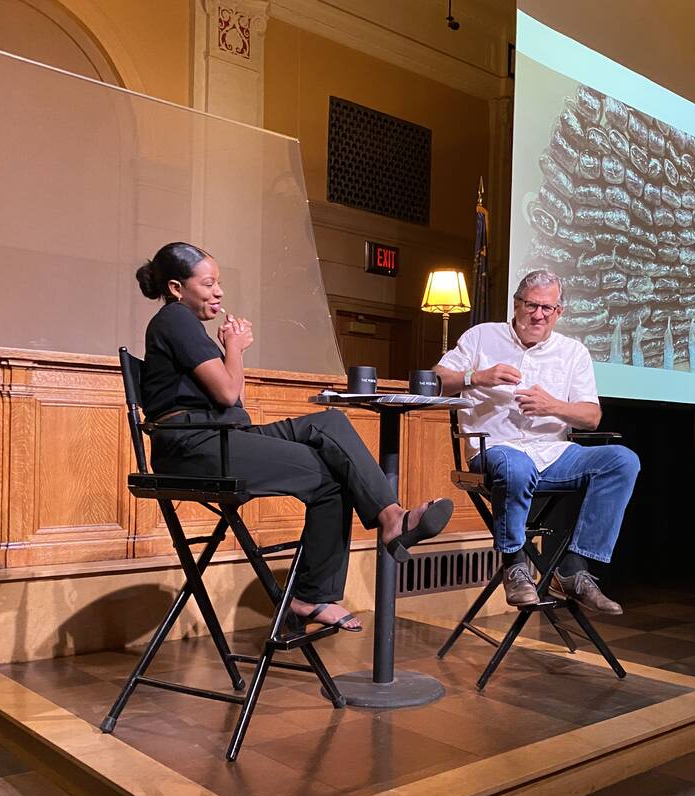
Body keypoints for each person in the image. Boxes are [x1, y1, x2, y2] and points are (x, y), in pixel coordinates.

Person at [137, 242, 452, 632]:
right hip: (192, 449)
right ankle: (312, 593)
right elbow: (229, 394)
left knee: (331, 424)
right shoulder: (176, 320)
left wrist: (229, 353)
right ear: (175, 287)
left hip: (219, 435)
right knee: (331, 479)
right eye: (208, 283)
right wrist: (234, 347)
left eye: (219, 283)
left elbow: (234, 401)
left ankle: (391, 518)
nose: (218, 292)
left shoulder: (185, 325)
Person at [435, 270, 639, 613]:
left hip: (555, 454)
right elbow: (436, 381)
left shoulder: (572, 352)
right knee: (517, 465)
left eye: (548, 308)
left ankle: (573, 569)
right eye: (531, 305)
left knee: (623, 460)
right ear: (516, 305)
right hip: (494, 451)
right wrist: (477, 377)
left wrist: (553, 406)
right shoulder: (482, 337)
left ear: (559, 312)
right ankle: (514, 564)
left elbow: (591, 417)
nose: (539, 315)